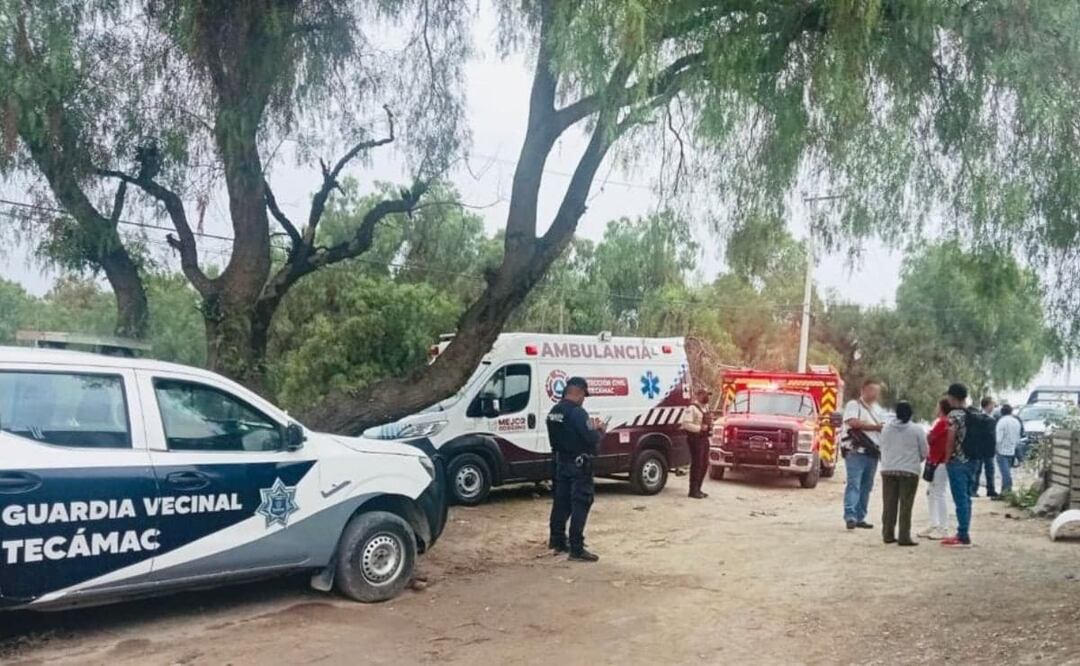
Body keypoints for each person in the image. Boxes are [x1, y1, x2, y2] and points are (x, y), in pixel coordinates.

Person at [547, 376, 605, 562]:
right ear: (578, 392)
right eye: (583, 396)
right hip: (579, 465)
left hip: (560, 463)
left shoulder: (554, 412)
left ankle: (557, 541)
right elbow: (591, 438)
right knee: (581, 502)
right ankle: (577, 548)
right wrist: (599, 430)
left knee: (561, 502)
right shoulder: (579, 413)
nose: (584, 399)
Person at [879, 401, 928, 546]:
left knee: (889, 503)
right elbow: (924, 452)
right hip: (909, 471)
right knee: (906, 505)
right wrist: (916, 460)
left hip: (888, 470)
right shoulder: (917, 429)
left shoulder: (886, 428)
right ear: (911, 414)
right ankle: (904, 536)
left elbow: (882, 446)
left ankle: (888, 534)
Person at [841, 379, 886, 530]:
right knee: (854, 484)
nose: (874, 394)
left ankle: (860, 516)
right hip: (856, 452)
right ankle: (850, 516)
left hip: (872, 453)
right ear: (863, 390)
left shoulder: (878, 409)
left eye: (876, 392)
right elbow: (853, 422)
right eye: (871, 390)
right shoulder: (854, 405)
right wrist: (875, 427)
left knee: (866, 486)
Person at [942, 383, 979, 547]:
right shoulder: (974, 412)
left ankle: (962, 533)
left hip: (958, 460)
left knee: (960, 499)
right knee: (967, 498)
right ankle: (964, 530)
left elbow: (951, 438)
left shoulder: (954, 415)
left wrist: (947, 457)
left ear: (952, 397)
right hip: (973, 460)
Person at [918, 398, 953, 540]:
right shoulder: (945, 422)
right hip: (936, 460)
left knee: (938, 493)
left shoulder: (943, 422)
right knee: (932, 492)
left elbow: (930, 438)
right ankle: (934, 523)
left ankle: (943, 527)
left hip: (940, 460)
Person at [680, 388, 713, 499]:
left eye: (708, 395)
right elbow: (686, 424)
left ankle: (699, 489)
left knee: (704, 464)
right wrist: (699, 428)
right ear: (698, 395)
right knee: (697, 464)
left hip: (704, 438)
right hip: (695, 439)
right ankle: (693, 490)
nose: (707, 397)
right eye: (705, 395)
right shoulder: (692, 408)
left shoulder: (706, 408)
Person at [970, 397, 998, 498]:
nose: (993, 407)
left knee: (989, 470)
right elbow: (991, 435)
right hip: (982, 448)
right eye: (992, 405)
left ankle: (990, 489)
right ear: (987, 405)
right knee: (978, 470)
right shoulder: (982, 418)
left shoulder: (984, 418)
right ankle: (974, 489)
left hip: (985, 448)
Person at [994, 404, 1023, 498]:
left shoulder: (1001, 422)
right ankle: (1004, 492)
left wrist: (995, 448)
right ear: (1011, 411)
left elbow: (998, 438)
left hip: (1002, 450)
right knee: (1007, 472)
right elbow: (1018, 436)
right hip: (1012, 449)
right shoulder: (1016, 421)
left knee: (1005, 473)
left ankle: (1007, 492)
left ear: (1002, 412)